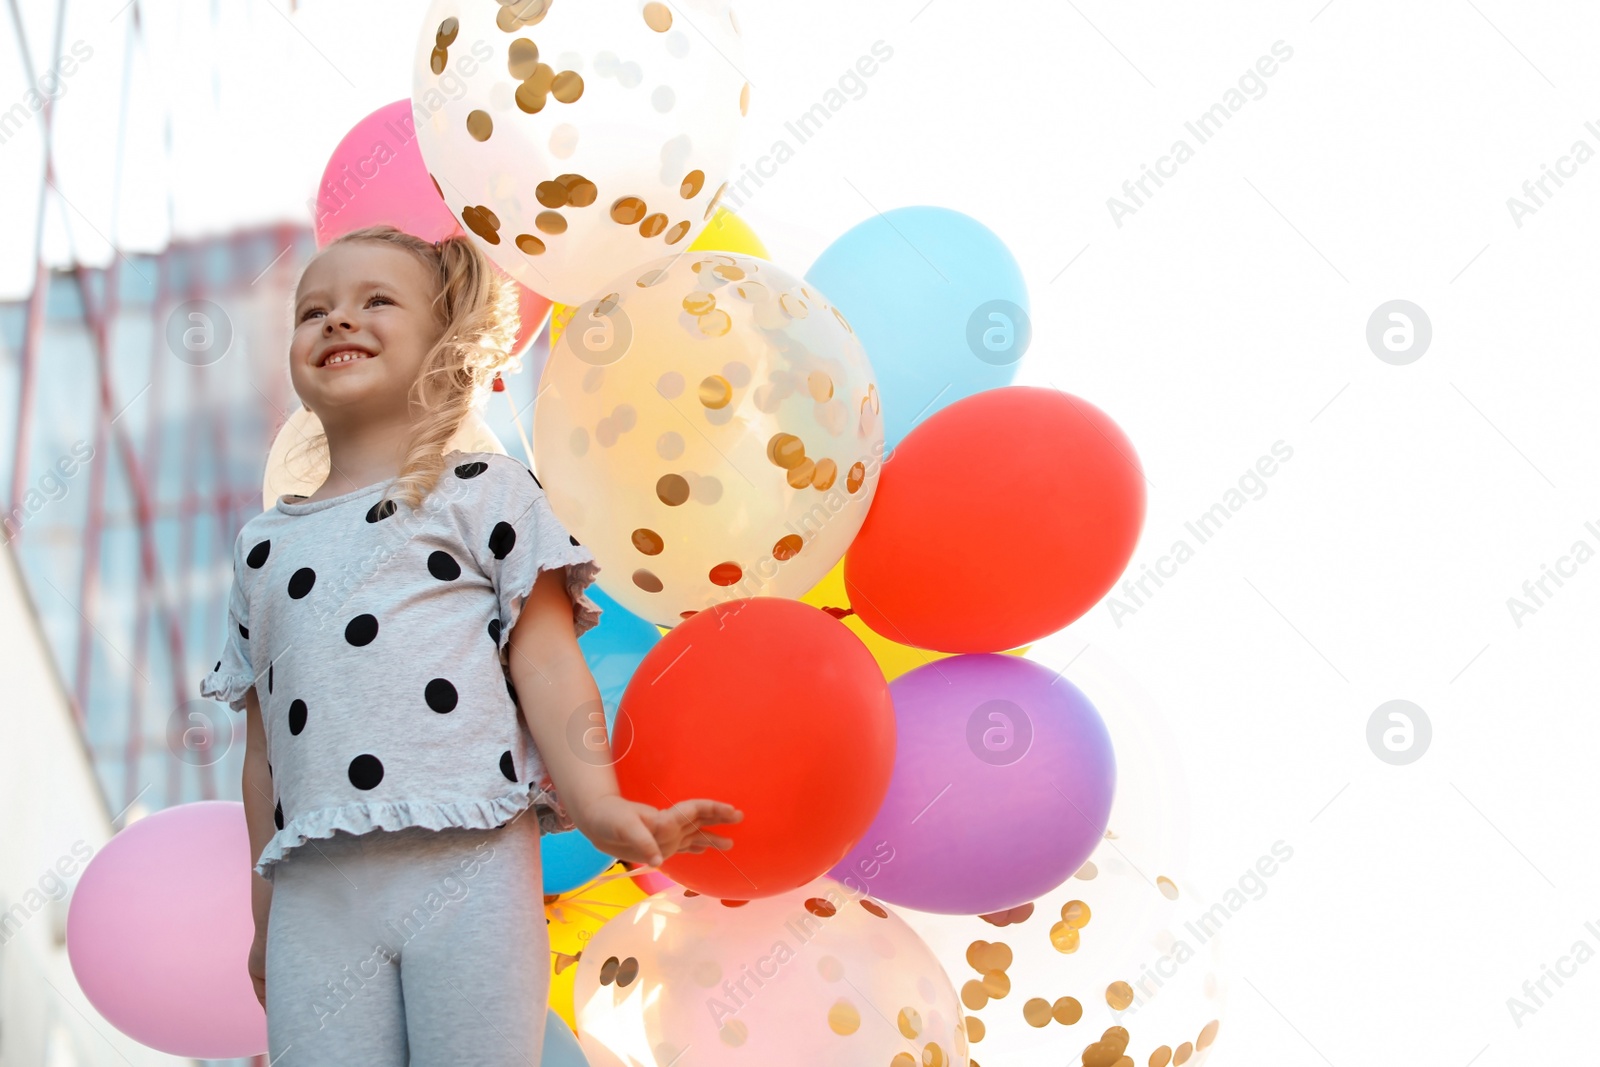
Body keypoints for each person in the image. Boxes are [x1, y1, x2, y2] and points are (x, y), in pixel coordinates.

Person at [199, 224, 742, 1065]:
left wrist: (597, 806)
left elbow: (549, 666)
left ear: (444, 346)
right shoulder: (264, 548)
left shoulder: (485, 494)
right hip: (318, 894)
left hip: (470, 868)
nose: (339, 320)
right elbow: (264, 753)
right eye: (315, 310)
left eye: (376, 300)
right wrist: (266, 916)